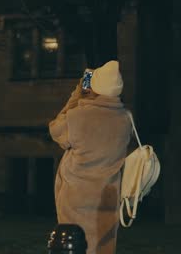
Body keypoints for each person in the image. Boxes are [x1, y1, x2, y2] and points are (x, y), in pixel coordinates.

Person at [49, 60, 132, 254]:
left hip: (77, 195)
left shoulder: (79, 116)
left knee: (75, 246)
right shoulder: (126, 119)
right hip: (108, 196)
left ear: (95, 87)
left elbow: (55, 130)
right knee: (103, 245)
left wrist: (78, 96)